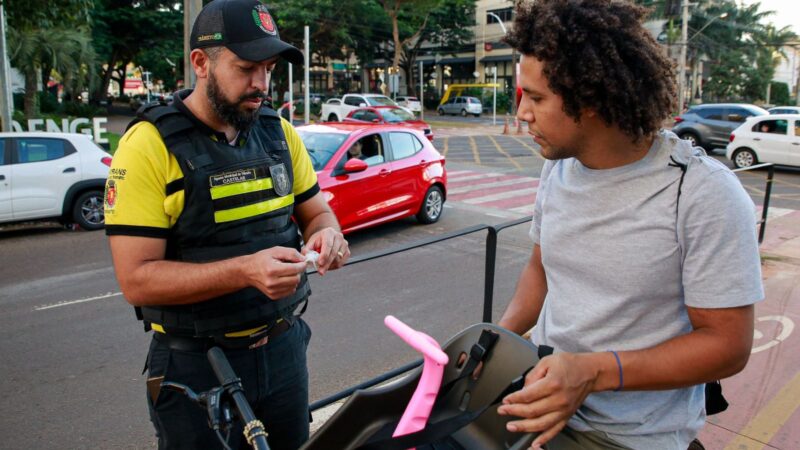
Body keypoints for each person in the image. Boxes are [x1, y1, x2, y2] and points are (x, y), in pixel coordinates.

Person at [495, 1, 763, 449]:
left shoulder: (701, 193)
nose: (522, 114)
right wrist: (497, 343)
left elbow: (728, 345)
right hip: (538, 401)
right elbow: (541, 270)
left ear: (591, 99)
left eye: (537, 98)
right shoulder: (559, 167)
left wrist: (592, 371)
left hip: (629, 437)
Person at [104, 1, 350, 448]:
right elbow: (136, 280)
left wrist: (327, 233)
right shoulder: (148, 145)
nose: (261, 84)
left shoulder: (279, 132)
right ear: (201, 62)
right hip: (196, 365)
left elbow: (317, 211)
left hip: (283, 350)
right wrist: (244, 271)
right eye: (246, 68)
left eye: (269, 69)